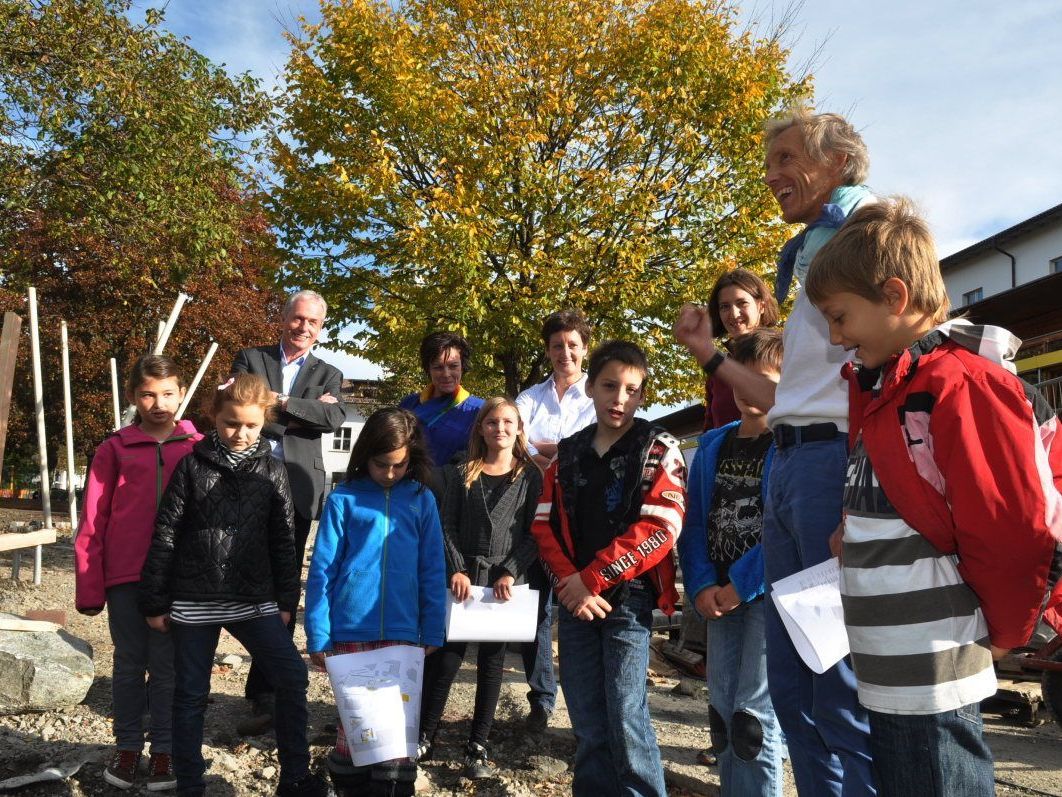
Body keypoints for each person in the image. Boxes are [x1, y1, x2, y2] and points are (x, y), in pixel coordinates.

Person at [804, 198, 1062, 796]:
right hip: (893, 658)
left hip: (935, 659)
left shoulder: (958, 385)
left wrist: (1006, 631)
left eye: (840, 317)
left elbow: (1011, 525)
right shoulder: (885, 389)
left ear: (894, 297)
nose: (836, 338)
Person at [675, 108, 877, 796]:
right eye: (769, 162)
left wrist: (859, 491)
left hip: (827, 465)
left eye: (787, 158)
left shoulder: (865, 230)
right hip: (789, 464)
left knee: (835, 683)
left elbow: (877, 374)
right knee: (792, 690)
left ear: (837, 161)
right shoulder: (815, 247)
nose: (772, 175)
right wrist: (706, 354)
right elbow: (781, 399)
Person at [138, 374, 326, 797]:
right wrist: (154, 599)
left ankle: (295, 778)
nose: (240, 433)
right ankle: (189, 785)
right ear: (214, 417)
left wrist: (286, 599)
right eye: (231, 423)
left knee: (292, 677)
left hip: (253, 598)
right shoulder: (191, 466)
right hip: (194, 599)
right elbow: (166, 532)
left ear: (264, 422)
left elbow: (283, 540)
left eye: (251, 425)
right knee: (190, 694)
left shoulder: (274, 470)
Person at [531, 340, 686, 797]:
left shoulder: (659, 447)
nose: (620, 398)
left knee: (626, 713)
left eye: (632, 390)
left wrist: (590, 579)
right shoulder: (568, 452)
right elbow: (543, 525)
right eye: (609, 386)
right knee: (584, 714)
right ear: (590, 388)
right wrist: (570, 585)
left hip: (629, 598)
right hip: (574, 600)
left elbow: (662, 526)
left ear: (642, 394)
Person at [304, 407, 446, 797]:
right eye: (381, 464)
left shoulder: (422, 500)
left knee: (396, 729)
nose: (389, 473)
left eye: (399, 465)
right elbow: (323, 571)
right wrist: (318, 634)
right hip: (350, 632)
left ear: (412, 459)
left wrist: (433, 627)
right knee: (356, 726)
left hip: (404, 634)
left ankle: (394, 789)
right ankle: (349, 786)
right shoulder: (343, 499)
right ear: (365, 454)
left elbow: (433, 569)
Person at [74, 355, 201, 791]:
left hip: (179, 578)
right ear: (132, 396)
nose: (158, 403)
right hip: (126, 575)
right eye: (148, 394)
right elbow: (93, 519)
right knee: (129, 663)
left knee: (168, 667)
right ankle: (127, 745)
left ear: (181, 393)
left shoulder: (198, 447)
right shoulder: (114, 449)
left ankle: (164, 748)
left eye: (167, 393)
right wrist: (90, 586)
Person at [231, 289, 347, 732]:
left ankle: (266, 689)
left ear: (321, 328)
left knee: (283, 587)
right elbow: (242, 405)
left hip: (295, 490)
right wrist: (303, 414)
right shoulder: (251, 358)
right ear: (284, 318)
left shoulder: (330, 373)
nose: (303, 327)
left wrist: (275, 403)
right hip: (245, 482)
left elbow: (331, 420)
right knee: (232, 578)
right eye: (297, 318)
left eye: (312, 322)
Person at [678, 329, 784, 797]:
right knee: (721, 714)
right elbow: (695, 521)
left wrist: (743, 584)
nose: (746, 390)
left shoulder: (788, 444)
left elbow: (784, 526)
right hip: (717, 598)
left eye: (760, 380)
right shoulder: (713, 445)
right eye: (739, 378)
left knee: (752, 721)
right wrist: (702, 584)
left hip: (762, 597)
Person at [419, 397, 543, 778]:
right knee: (447, 660)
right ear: (481, 429)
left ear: (519, 429)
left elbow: (535, 532)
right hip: (464, 584)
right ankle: (425, 734)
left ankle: (478, 743)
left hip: (503, 586)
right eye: (492, 422)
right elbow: (446, 525)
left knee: (492, 664)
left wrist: (511, 571)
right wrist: (456, 568)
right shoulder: (463, 473)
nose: (499, 428)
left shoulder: (530, 477)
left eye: (507, 422)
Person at [513, 309, 596, 730]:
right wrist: (560, 450)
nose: (565, 352)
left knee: (577, 608)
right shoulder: (529, 397)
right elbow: (516, 442)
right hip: (534, 513)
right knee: (536, 611)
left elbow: (592, 448)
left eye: (572, 345)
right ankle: (542, 698)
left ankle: (584, 708)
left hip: (582, 518)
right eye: (557, 345)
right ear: (547, 350)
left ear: (585, 348)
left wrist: (547, 450)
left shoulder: (599, 395)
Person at [702, 270, 779, 431]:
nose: (733, 313)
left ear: (761, 306)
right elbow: (710, 428)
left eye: (742, 303)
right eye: (725, 306)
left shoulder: (786, 354)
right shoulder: (718, 371)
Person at [400, 331, 485, 467]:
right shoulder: (408, 404)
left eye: (453, 366)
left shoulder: (480, 411)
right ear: (428, 369)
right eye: (438, 367)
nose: (446, 374)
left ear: (462, 366)